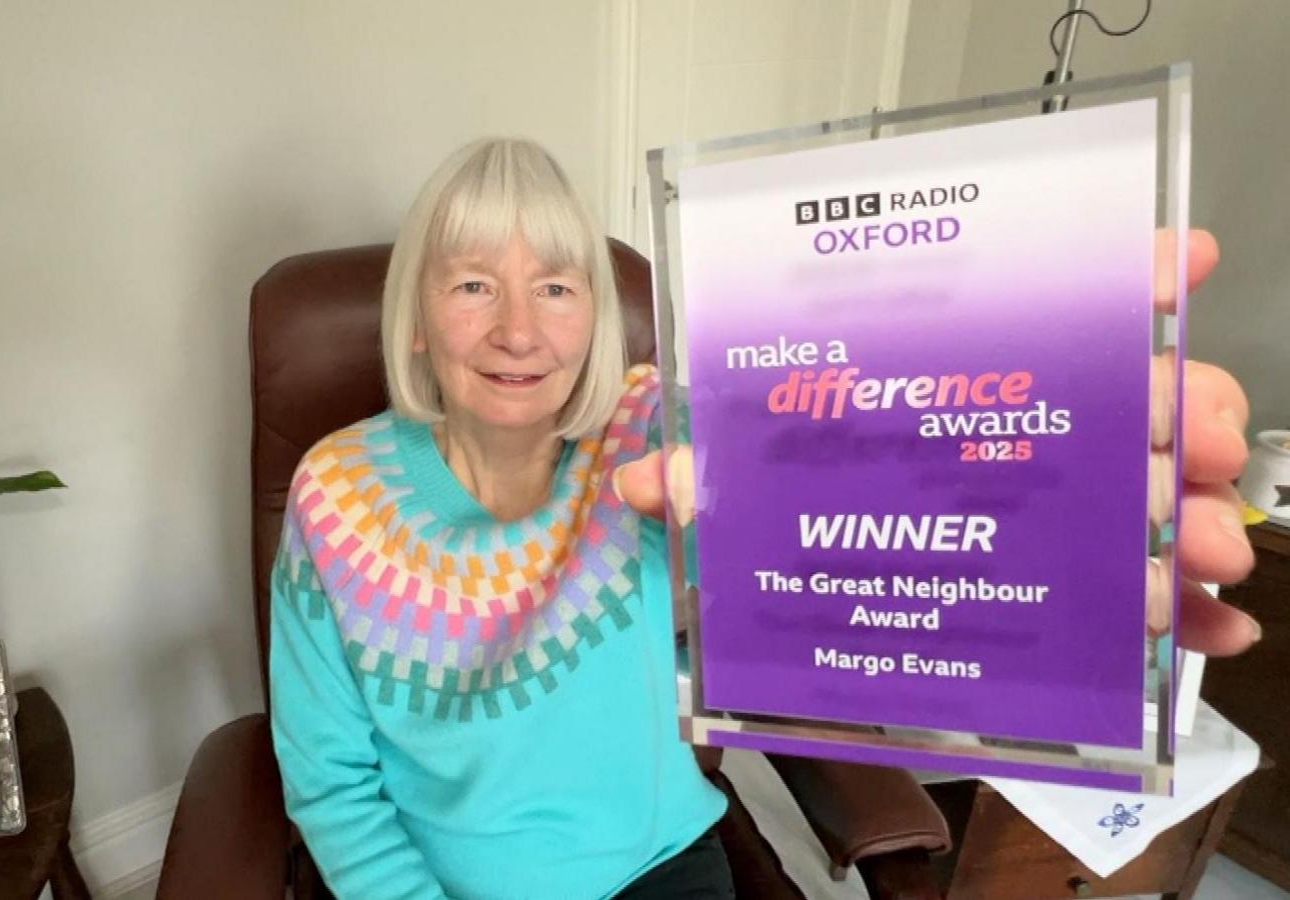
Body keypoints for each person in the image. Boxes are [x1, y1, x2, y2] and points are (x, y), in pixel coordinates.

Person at [268, 138, 1260, 900]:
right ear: (414, 317)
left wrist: (1036, 437)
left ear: (596, 321)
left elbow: (829, 437)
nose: (519, 329)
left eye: (556, 288)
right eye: (474, 284)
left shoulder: (645, 433)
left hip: (659, 867)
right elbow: (334, 786)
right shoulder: (337, 498)